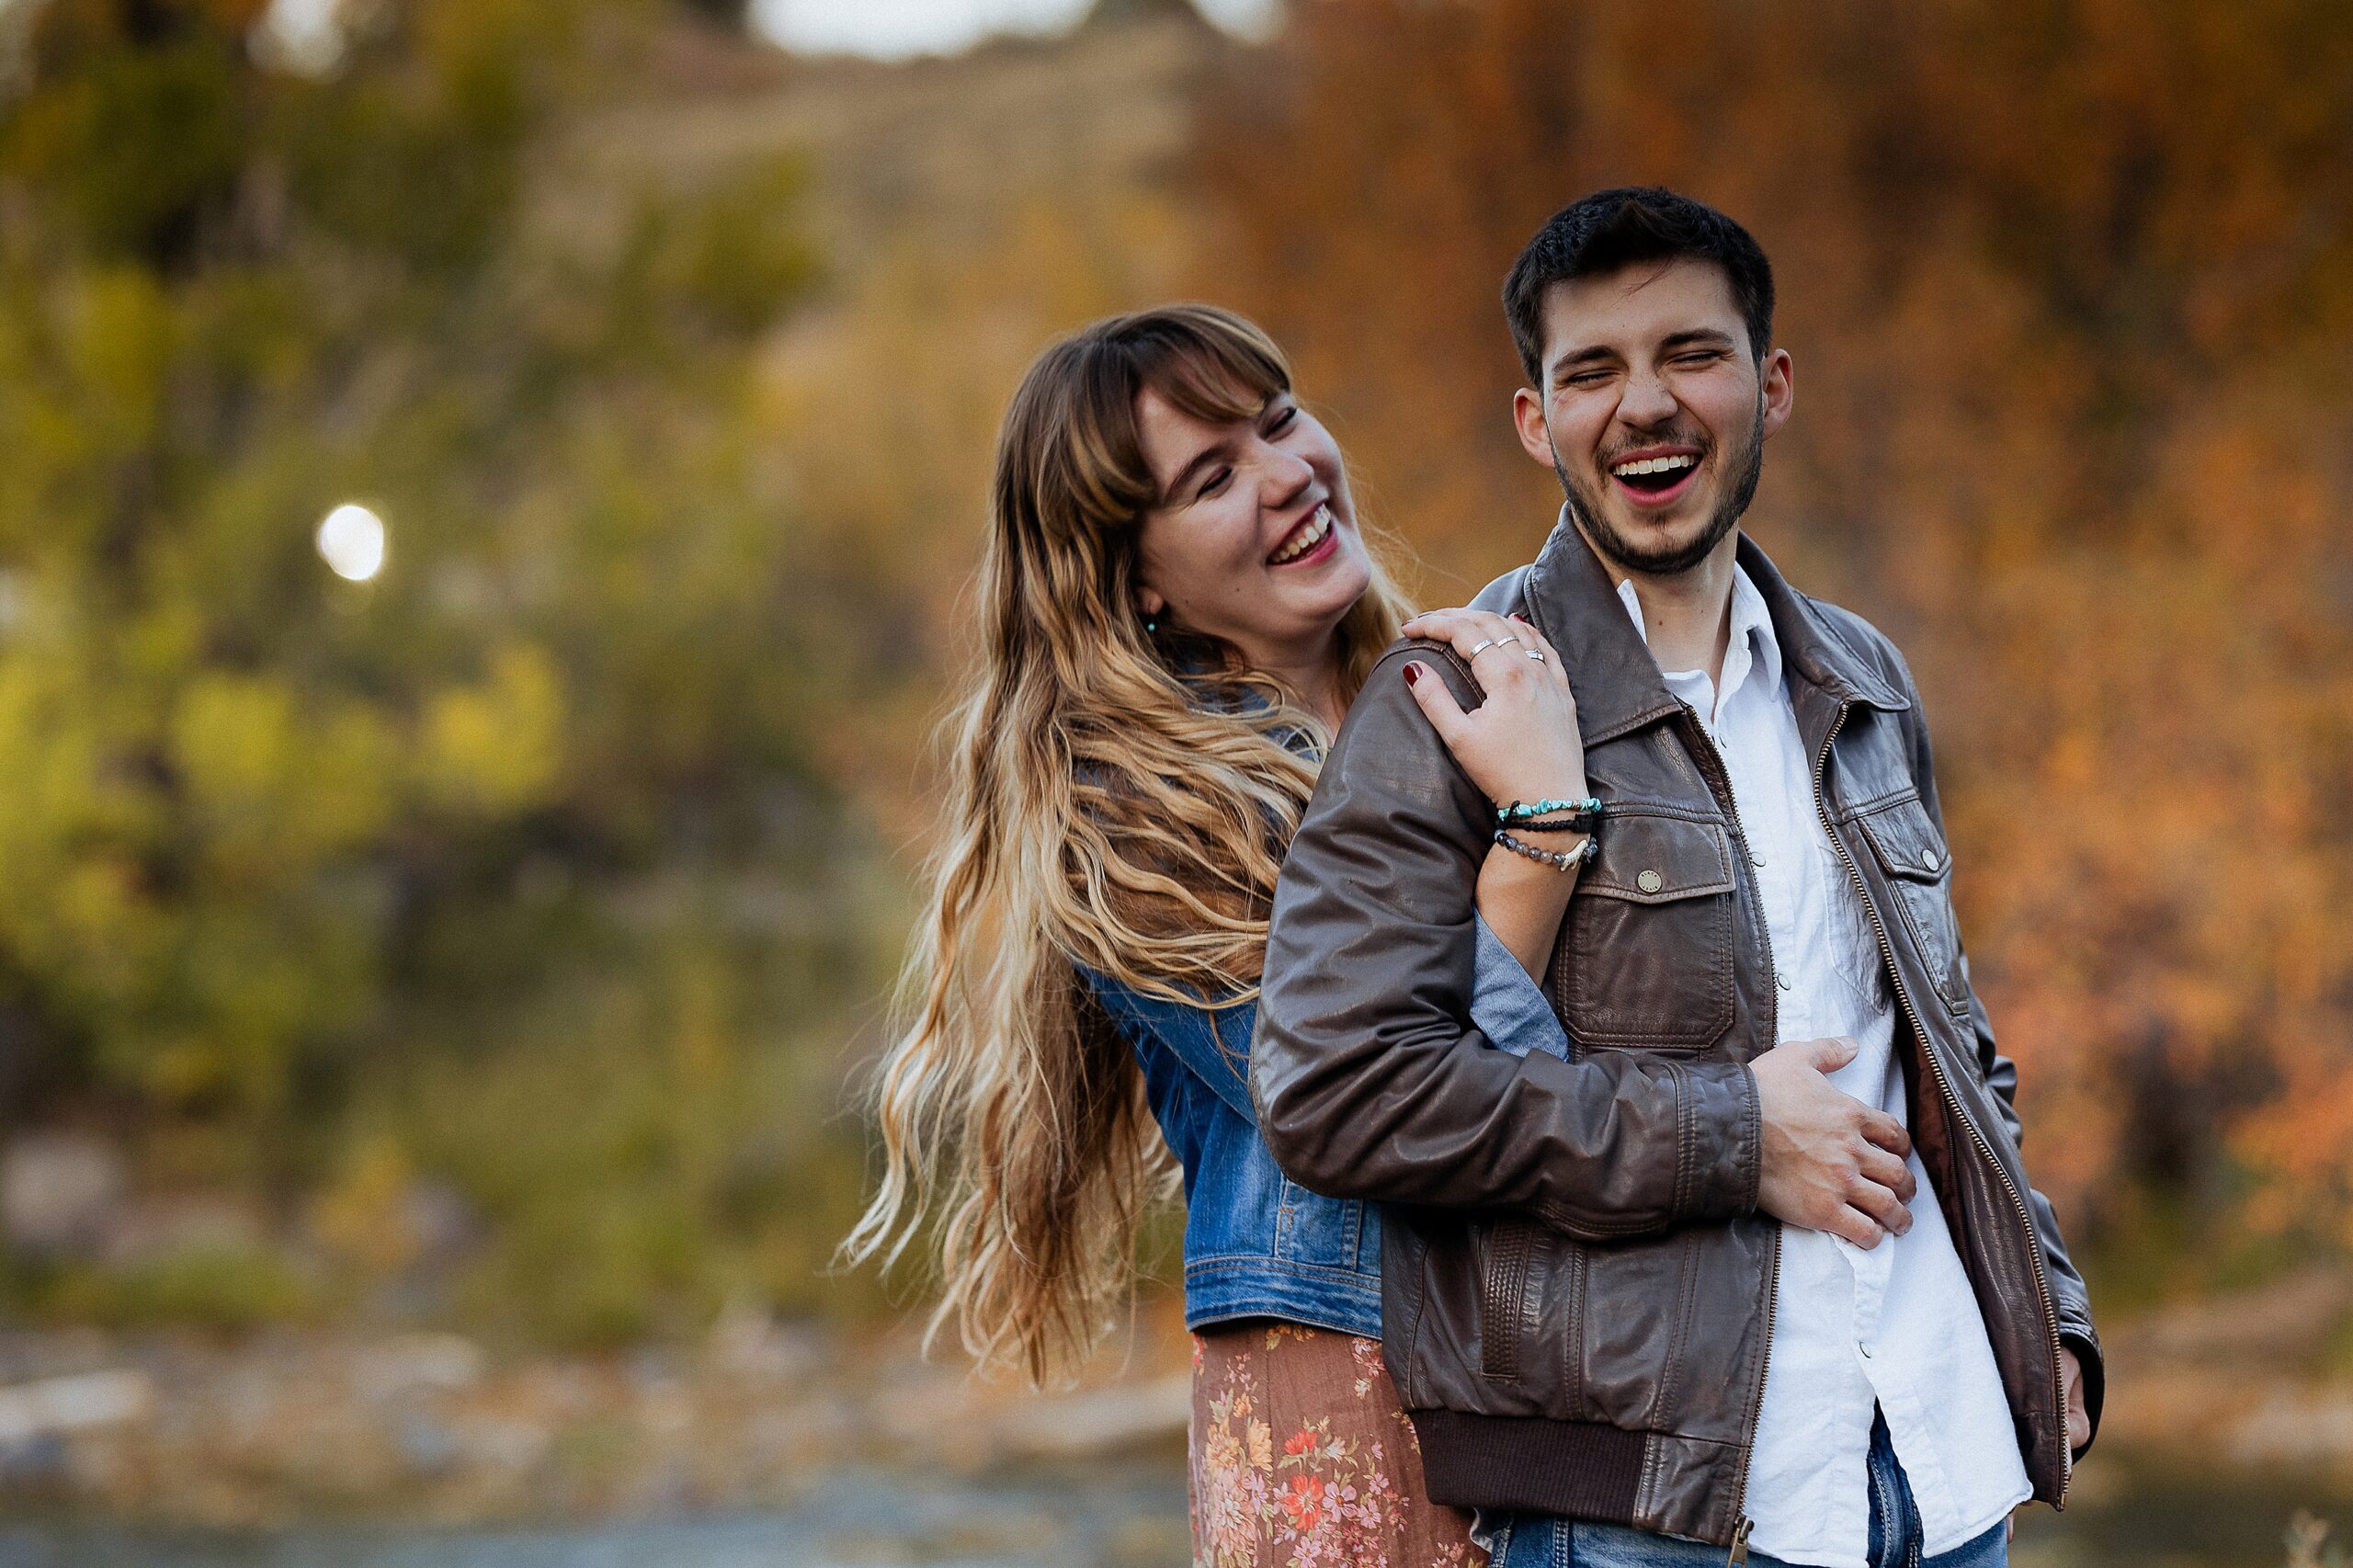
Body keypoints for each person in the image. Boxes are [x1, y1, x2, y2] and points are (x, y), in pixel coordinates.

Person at [1251, 188, 2103, 1568]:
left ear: (1769, 387)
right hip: (1657, 1512)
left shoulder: (1863, 677)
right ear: (1537, 420)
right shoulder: (1448, 699)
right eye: (1591, 370)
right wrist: (1731, 1135)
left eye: (1690, 356)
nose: (1644, 404)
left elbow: (1949, 1047)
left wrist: (2047, 1315)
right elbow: (1340, 1095)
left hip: (1941, 1475)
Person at [845, 303, 1594, 1565]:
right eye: (1211, 476)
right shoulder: (1136, 828)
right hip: (1362, 1402)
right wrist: (1545, 827)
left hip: (1538, 1370)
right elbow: (1399, 1091)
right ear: (1133, 572)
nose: (1286, 475)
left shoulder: (1440, 708)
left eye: (1280, 420)